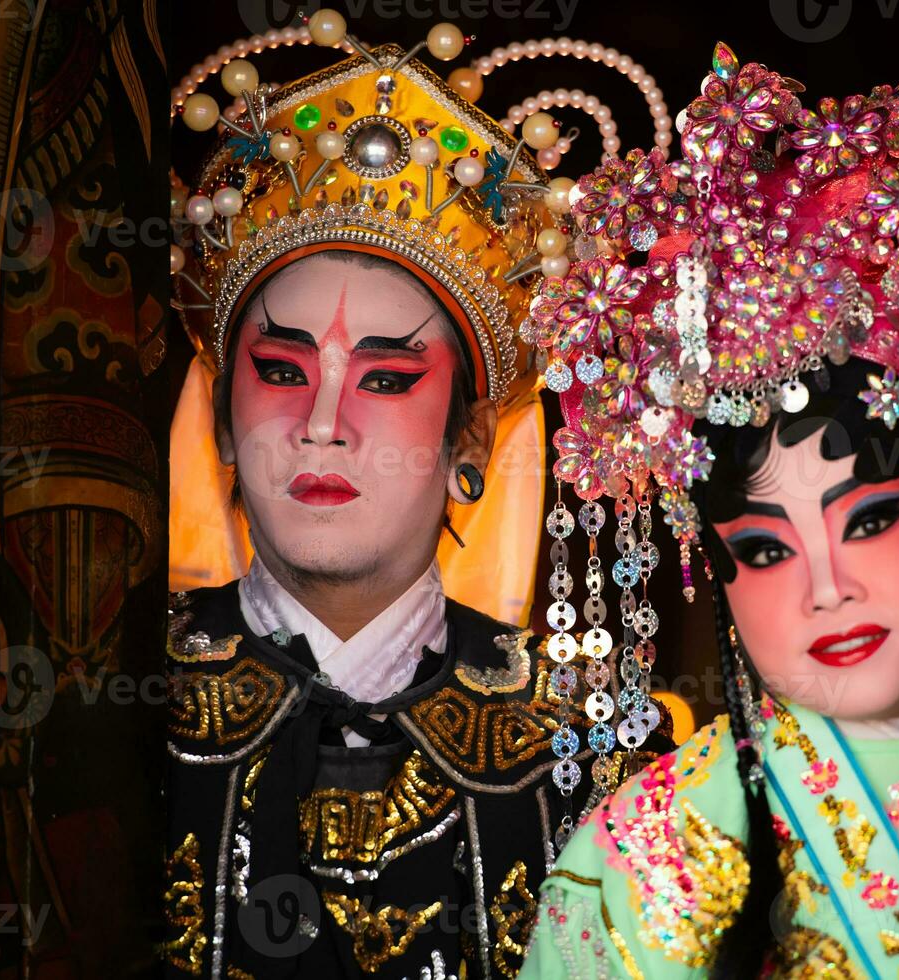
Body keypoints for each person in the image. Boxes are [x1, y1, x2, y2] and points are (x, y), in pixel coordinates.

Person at [159, 13, 668, 978]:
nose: (322, 422)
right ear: (224, 420)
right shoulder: (115, 717)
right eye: (279, 368)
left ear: (468, 440)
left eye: (388, 380)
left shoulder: (591, 761)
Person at [517, 44, 899, 979]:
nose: (828, 590)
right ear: (711, 573)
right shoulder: (644, 857)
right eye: (764, 548)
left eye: (868, 520)